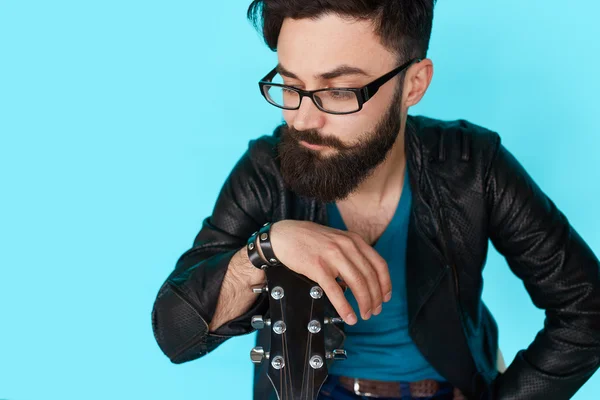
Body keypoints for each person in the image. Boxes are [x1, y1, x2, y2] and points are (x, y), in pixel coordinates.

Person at [151, 1, 600, 399]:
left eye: (339, 91)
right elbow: (175, 331)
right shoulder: (267, 170)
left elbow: (587, 310)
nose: (303, 119)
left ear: (413, 85)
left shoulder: (472, 166)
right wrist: (268, 246)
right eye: (290, 85)